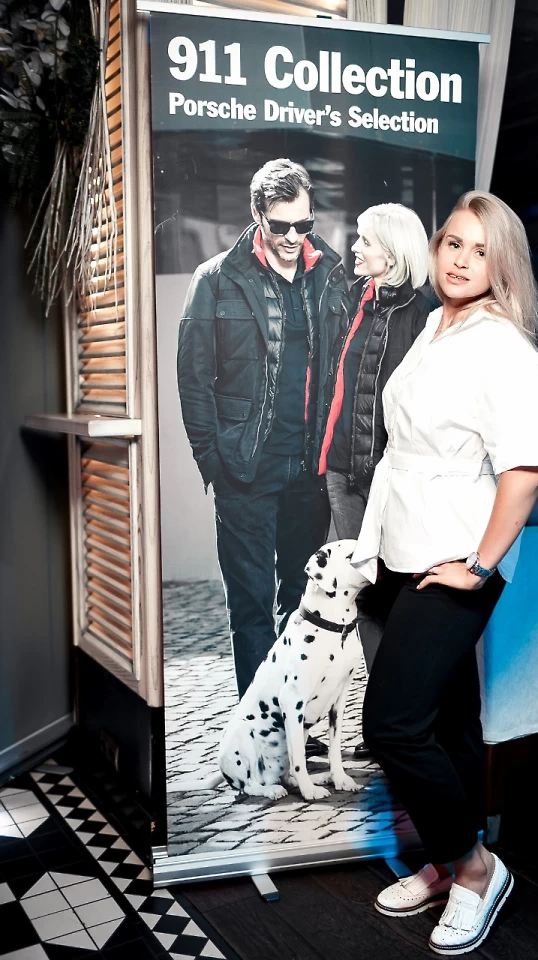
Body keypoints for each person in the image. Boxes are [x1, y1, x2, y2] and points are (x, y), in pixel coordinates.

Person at [351, 190, 538, 954]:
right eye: (453, 243)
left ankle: (474, 868)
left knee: (392, 723)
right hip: (407, 545)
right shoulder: (437, 326)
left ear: (504, 265)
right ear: (435, 250)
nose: (463, 260)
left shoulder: (505, 349)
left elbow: (525, 470)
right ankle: (446, 862)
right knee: (446, 719)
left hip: (457, 554)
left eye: (481, 250)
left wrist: (478, 566)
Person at [177, 159, 349, 749]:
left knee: (301, 603)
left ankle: (298, 724)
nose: (294, 237)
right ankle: (263, 733)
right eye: (281, 226)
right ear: (256, 215)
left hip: (309, 469)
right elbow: (193, 379)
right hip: (245, 470)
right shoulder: (216, 279)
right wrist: (215, 462)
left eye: (304, 224)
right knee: (250, 606)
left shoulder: (330, 272)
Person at [318, 202, 434, 758]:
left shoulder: (426, 314)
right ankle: (378, 721)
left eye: (365, 240)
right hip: (344, 472)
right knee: (363, 594)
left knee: (401, 597)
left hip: (393, 479)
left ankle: (405, 720)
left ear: (394, 250)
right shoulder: (354, 301)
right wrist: (328, 460)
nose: (355, 248)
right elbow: (337, 387)